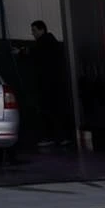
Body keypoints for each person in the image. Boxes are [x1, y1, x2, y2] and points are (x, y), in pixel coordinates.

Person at [24, 20, 71, 150]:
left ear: (41, 30)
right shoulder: (53, 43)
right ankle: (62, 137)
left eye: (34, 30)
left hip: (48, 85)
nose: (32, 33)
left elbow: (35, 53)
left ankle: (52, 137)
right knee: (58, 111)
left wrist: (23, 52)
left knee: (49, 111)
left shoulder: (43, 44)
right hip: (57, 84)